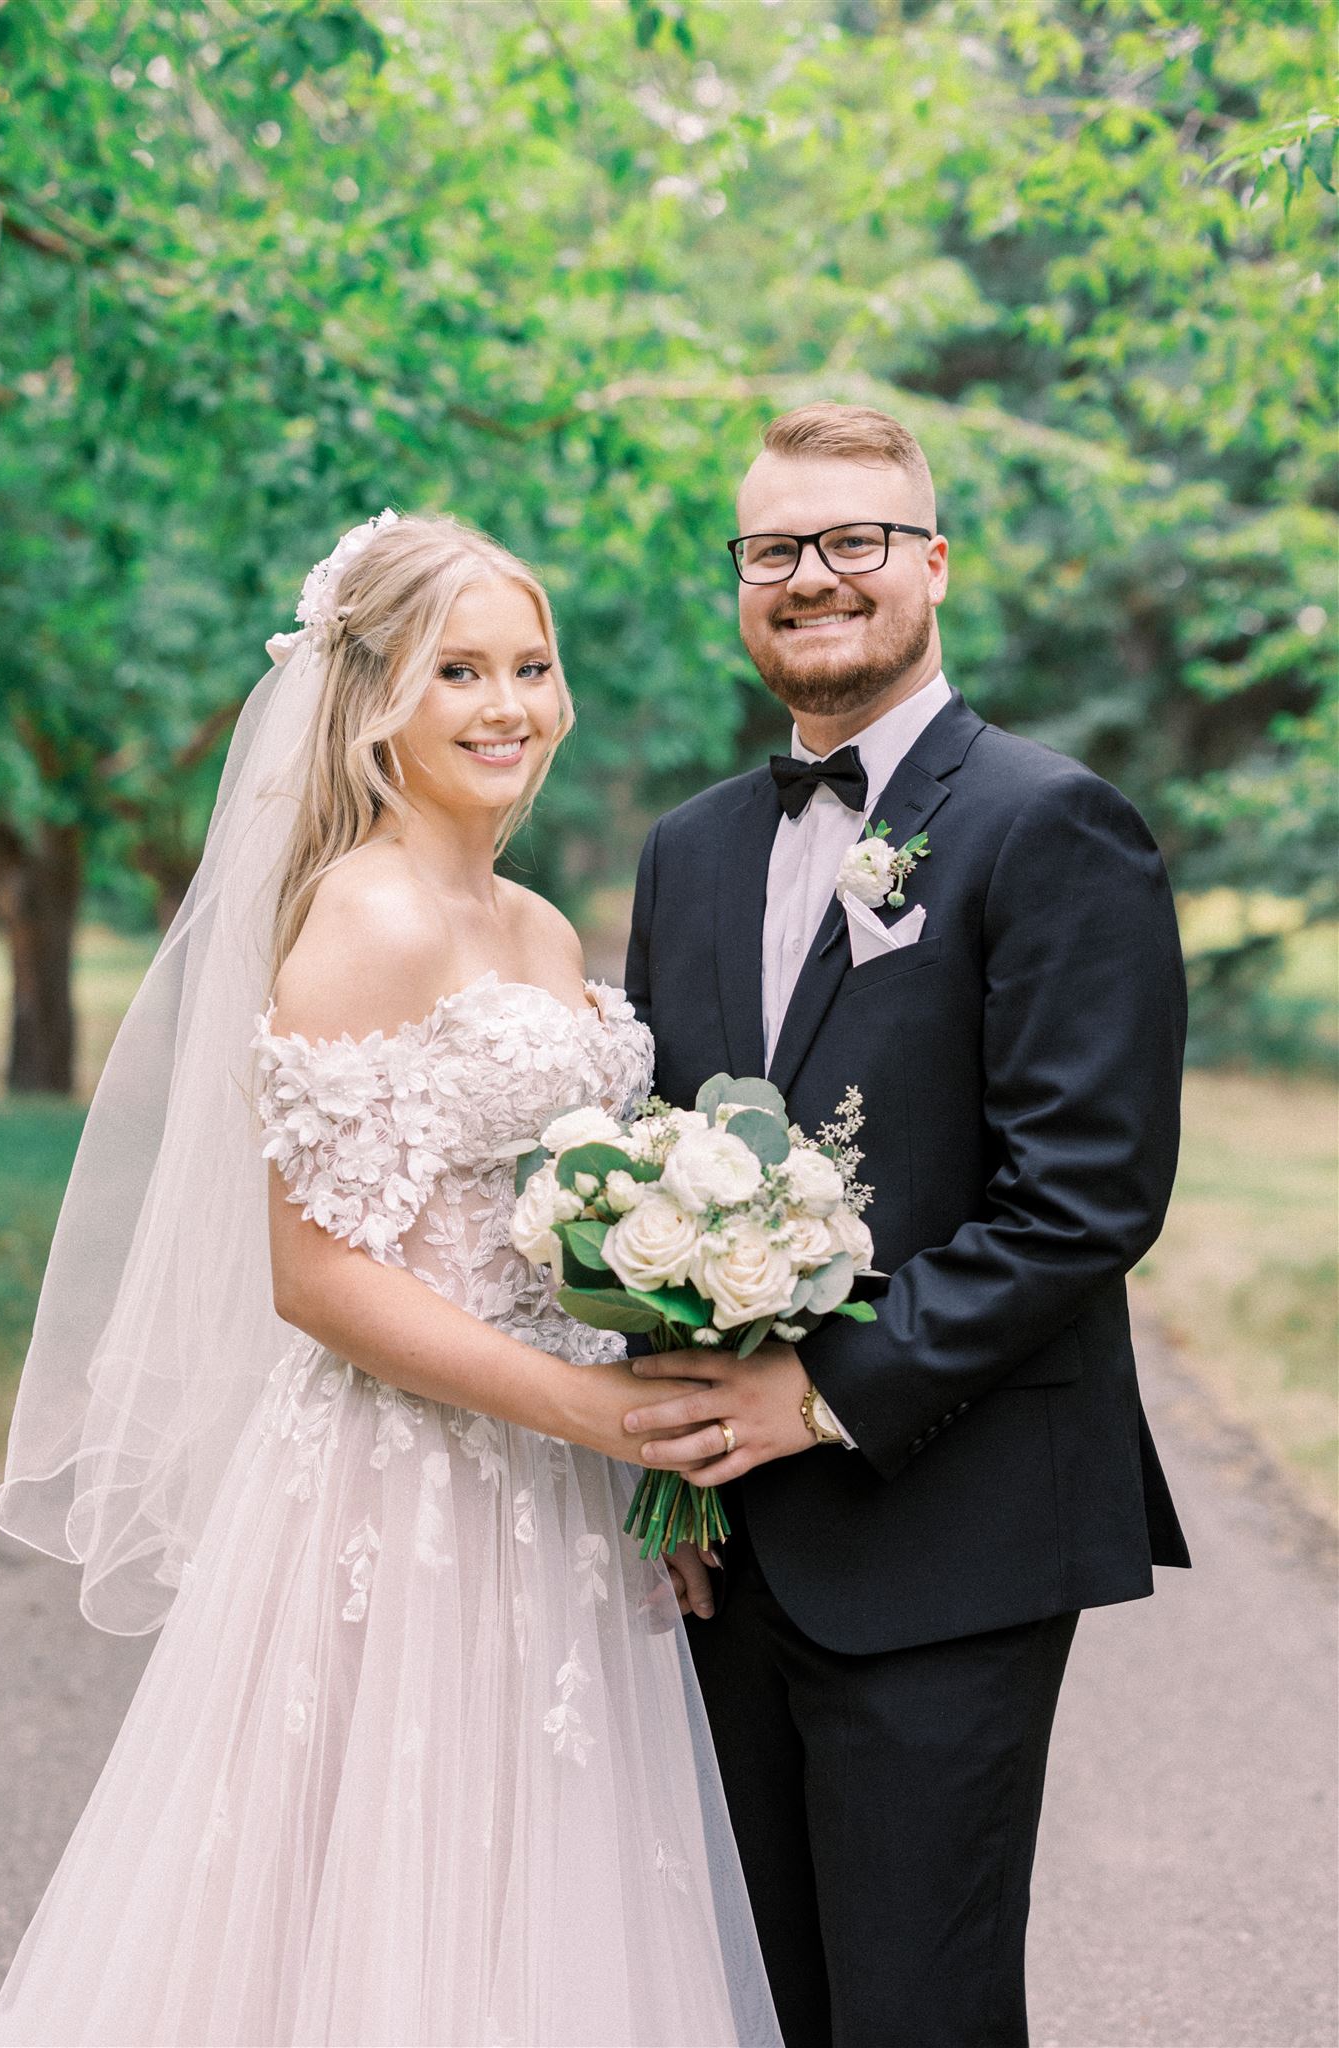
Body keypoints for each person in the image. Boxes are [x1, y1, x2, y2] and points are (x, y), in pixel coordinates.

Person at [0, 513, 782, 2047]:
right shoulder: (364, 916)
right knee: (384, 1894)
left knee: (553, 1889)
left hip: (568, 1495)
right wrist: (593, 1416)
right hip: (410, 1490)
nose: (507, 704)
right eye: (459, 670)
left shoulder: (536, 924)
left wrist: (637, 1440)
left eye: (531, 664)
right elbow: (317, 1280)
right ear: (375, 694)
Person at [621, 401, 1191, 2048]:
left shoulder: (1048, 821)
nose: (812, 575)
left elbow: (1085, 1198)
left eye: (852, 538)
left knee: (919, 2011)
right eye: (774, 548)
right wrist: (677, 1474)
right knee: (755, 2001)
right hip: (732, 1558)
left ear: (932, 565)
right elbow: (667, 1163)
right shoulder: (690, 850)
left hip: (954, 1526)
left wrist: (808, 1399)